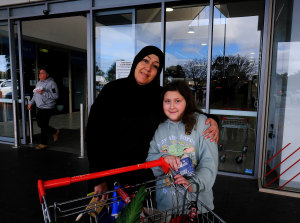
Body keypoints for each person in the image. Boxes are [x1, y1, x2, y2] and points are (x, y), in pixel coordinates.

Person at [86, 46, 219, 200]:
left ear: (158, 71)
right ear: (136, 61)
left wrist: (212, 120)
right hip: (108, 174)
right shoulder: (112, 91)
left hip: (143, 176)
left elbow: (184, 109)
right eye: (145, 60)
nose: (148, 68)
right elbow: (93, 136)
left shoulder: (159, 96)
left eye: (155, 65)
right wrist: (98, 178)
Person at [146, 81, 218, 213]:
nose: (172, 106)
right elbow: (150, 162)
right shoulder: (159, 127)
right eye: (167, 101)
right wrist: (163, 159)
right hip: (167, 206)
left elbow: (209, 163)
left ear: (187, 102)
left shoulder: (202, 123)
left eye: (177, 100)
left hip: (197, 206)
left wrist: (193, 184)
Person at [27, 68, 60, 150]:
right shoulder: (38, 83)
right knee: (40, 124)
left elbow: (56, 96)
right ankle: (55, 131)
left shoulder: (52, 83)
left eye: (42, 73)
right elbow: (35, 95)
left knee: (43, 125)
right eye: (39, 73)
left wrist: (44, 93)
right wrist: (31, 102)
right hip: (40, 107)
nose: (39, 74)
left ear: (47, 75)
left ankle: (43, 143)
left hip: (48, 107)